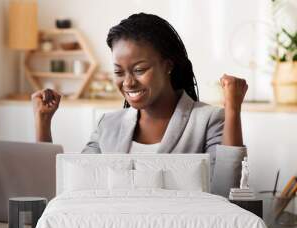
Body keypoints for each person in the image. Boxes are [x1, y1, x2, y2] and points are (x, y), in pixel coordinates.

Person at [31, 13, 248, 197]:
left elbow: (225, 193)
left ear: (167, 66)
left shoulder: (207, 119)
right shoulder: (108, 124)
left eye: (139, 69)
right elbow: (70, 188)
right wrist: (43, 122)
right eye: (118, 72)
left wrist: (233, 109)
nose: (128, 82)